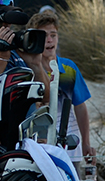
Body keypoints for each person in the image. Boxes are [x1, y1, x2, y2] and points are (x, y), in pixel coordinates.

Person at [26, 10, 93, 170]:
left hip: (69, 147)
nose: (49, 40)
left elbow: (80, 106)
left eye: (53, 35)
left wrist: (86, 142)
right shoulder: (27, 69)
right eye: (44, 36)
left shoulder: (69, 67)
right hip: (38, 147)